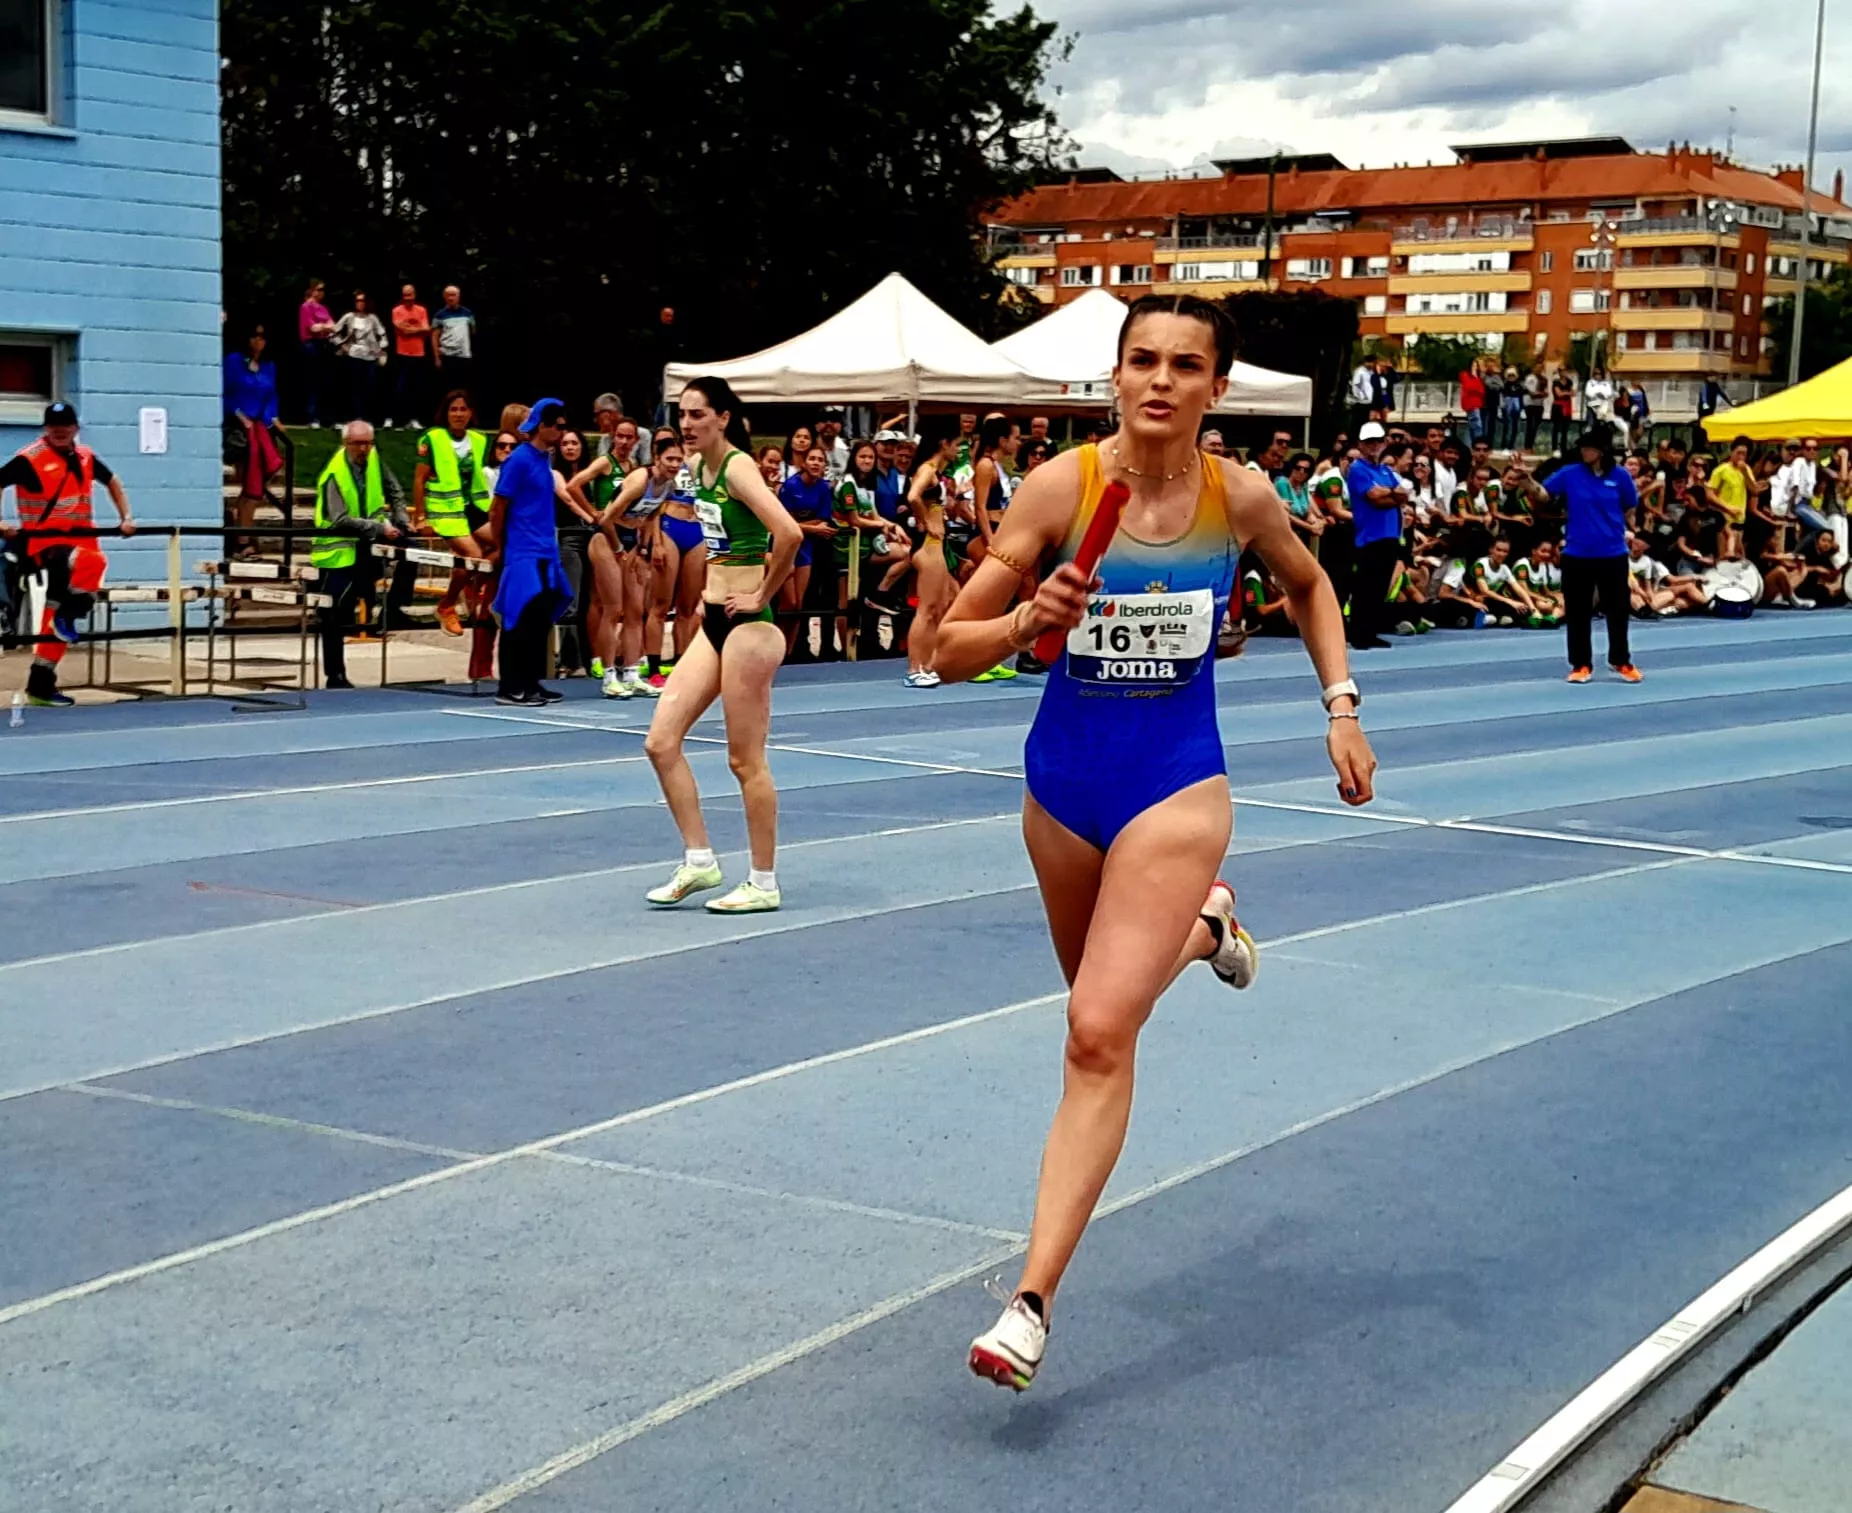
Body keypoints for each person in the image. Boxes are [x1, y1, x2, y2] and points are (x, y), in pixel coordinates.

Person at [932, 292, 1376, 1392]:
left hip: (1176, 784)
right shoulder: (1060, 489)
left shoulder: (1240, 497)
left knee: (1093, 1033)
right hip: (1063, 786)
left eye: (1185, 364)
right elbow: (942, 651)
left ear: (1215, 388)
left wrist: (1341, 703)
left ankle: (1030, 1301)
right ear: (1115, 377)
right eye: (1142, 361)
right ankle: (1208, 925)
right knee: (1101, 997)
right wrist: (1027, 621)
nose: (1161, 381)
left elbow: (1312, 586)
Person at [641, 377, 802, 912]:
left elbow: (789, 532)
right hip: (713, 620)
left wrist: (761, 593)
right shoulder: (695, 470)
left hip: (750, 628)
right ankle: (700, 861)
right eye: (682, 415)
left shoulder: (736, 468)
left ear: (723, 418)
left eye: (697, 415)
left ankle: (763, 880)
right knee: (661, 741)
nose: (686, 424)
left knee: (744, 759)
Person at [0, 402, 135, 707]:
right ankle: (70, 612)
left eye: (65, 425)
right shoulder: (30, 458)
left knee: (55, 616)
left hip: (81, 541)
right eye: (53, 426)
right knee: (93, 564)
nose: (59, 431)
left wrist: (126, 517)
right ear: (46, 429)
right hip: (46, 545)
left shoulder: (85, 456)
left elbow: (112, 480)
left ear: (76, 427)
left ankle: (40, 685)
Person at [1524, 429, 1641, 684]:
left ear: (1601, 451)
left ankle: (1621, 660)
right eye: (1583, 448)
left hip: (1613, 553)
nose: (1584, 452)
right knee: (1577, 611)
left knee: (1618, 610)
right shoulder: (1570, 473)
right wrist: (1526, 480)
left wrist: (1625, 528)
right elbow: (1544, 494)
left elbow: (1630, 504)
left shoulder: (1619, 475)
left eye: (1589, 448)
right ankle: (1581, 664)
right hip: (1577, 554)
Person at [311, 420, 416, 690]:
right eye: (357, 443)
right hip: (338, 552)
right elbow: (339, 519)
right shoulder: (335, 473)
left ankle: (393, 607)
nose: (363, 448)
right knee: (334, 615)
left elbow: (394, 489)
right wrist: (380, 527)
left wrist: (401, 519)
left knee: (413, 549)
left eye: (367, 443)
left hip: (367, 543)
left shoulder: (374, 461)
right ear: (345, 444)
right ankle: (335, 675)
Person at [488, 399, 575, 706]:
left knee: (539, 619)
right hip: (524, 551)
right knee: (519, 617)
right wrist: (500, 545)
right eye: (560, 426)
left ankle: (530, 680)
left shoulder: (542, 459)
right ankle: (510, 685)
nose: (564, 432)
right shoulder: (520, 460)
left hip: (543, 551)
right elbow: (498, 506)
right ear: (544, 426)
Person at [581, 437, 678, 697]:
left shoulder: (668, 486)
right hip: (606, 540)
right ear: (657, 458)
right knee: (614, 608)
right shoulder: (639, 480)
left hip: (631, 543)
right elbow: (608, 517)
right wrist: (618, 549)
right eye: (670, 459)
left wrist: (643, 550)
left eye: (679, 460)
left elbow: (651, 516)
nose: (675, 464)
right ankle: (610, 675)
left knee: (636, 610)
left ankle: (633, 673)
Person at [414, 390, 493, 637]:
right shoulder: (432, 438)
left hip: (474, 507)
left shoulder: (479, 440)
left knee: (507, 542)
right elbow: (419, 479)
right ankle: (447, 604)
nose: (458, 414)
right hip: (445, 509)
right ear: (446, 413)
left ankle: (474, 590)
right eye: (454, 409)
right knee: (474, 555)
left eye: (463, 409)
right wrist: (420, 515)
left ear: (471, 413)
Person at [900, 417, 964, 689]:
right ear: (944, 444)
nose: (959, 450)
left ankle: (928, 663)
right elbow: (913, 496)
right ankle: (915, 667)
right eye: (957, 445)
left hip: (936, 546)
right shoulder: (926, 470)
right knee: (926, 609)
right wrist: (924, 520)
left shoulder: (936, 474)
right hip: (928, 546)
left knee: (939, 607)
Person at [1345, 421, 1408, 651]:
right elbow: (1374, 497)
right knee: (1365, 587)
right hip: (1370, 536)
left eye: (1377, 441)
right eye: (1369, 442)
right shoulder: (1358, 469)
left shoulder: (1384, 471)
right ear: (1361, 444)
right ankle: (1359, 633)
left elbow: (1402, 495)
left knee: (1380, 586)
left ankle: (1370, 632)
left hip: (1389, 535)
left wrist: (1389, 495)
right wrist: (1392, 496)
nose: (1373, 446)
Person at [223, 323, 280, 557]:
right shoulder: (234, 361)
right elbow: (223, 393)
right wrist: (239, 415)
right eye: (254, 337)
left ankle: (242, 531)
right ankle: (242, 540)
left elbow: (271, 396)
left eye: (262, 337)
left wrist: (272, 418)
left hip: (259, 429)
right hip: (238, 429)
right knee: (249, 483)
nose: (259, 342)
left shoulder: (268, 366)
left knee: (255, 486)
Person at [776, 441, 838, 658]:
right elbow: (783, 522)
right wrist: (810, 527)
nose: (815, 463)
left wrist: (805, 527)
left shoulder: (823, 488)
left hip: (806, 548)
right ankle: (777, 649)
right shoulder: (790, 487)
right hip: (785, 547)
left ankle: (789, 654)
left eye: (820, 460)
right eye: (812, 459)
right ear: (804, 462)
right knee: (788, 603)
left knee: (799, 605)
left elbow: (823, 521)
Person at [332, 290, 388, 425]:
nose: (360, 303)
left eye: (362, 300)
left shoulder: (372, 318)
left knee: (369, 387)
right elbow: (333, 333)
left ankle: (366, 417)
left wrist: (380, 349)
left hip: (369, 356)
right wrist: (342, 346)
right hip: (353, 355)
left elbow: (383, 336)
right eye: (357, 300)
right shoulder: (349, 316)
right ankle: (354, 417)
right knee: (353, 387)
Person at [388, 283, 432, 429]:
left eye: (410, 295)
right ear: (402, 296)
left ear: (415, 295)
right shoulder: (396, 310)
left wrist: (411, 329)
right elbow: (402, 329)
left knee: (417, 388)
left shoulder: (421, 310)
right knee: (399, 388)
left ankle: (413, 419)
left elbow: (427, 329)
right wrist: (417, 329)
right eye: (405, 295)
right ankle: (397, 420)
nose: (408, 298)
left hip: (419, 353)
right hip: (402, 353)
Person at [1707, 436, 1757, 562]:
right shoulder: (1721, 470)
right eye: (1738, 453)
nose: (1741, 457)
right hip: (1725, 520)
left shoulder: (1746, 469)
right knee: (1725, 558)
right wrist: (1727, 508)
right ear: (1732, 452)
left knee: (1739, 557)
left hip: (1739, 520)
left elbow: (1754, 490)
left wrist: (1745, 472)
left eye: (1744, 454)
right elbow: (1709, 494)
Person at [297, 279, 335, 427]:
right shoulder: (306, 307)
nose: (321, 292)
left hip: (323, 344)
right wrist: (326, 327)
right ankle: (313, 417)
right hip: (310, 345)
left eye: (323, 290)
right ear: (312, 290)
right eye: (318, 289)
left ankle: (328, 418)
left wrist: (324, 327)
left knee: (327, 382)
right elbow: (312, 328)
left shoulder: (323, 308)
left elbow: (333, 325)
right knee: (313, 382)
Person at [430, 285, 478, 403]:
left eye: (454, 295)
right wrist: (436, 357)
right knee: (448, 388)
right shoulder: (439, 315)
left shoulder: (468, 313)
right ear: (444, 297)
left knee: (464, 388)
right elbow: (434, 336)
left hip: (464, 356)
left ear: (459, 296)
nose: (451, 298)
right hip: (447, 356)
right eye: (448, 295)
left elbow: (473, 332)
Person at [1550, 367, 1577, 455]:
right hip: (1558, 406)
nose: (1564, 372)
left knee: (1565, 428)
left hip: (1567, 405)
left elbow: (1573, 393)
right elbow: (1559, 394)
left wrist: (1566, 392)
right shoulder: (1556, 382)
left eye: (1565, 371)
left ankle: (1563, 447)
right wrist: (1567, 393)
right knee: (1556, 427)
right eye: (1562, 371)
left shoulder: (1569, 382)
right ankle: (1554, 448)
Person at [1459, 360, 1487, 444]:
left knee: (1475, 425)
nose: (1475, 368)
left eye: (1476, 366)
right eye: (1474, 366)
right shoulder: (1465, 375)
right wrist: (1476, 383)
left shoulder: (1478, 377)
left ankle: (1473, 444)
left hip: (1477, 404)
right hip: (1470, 404)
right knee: (1477, 425)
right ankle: (1477, 444)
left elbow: (1481, 390)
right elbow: (1470, 387)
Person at [1521, 366, 1546, 450]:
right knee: (1530, 426)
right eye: (1538, 368)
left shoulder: (1543, 378)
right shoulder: (1530, 378)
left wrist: (1542, 394)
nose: (1540, 370)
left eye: (1542, 368)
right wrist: (1542, 394)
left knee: (1535, 426)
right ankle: (1527, 446)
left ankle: (1530, 446)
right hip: (1530, 404)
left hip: (1539, 404)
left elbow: (1545, 392)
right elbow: (1532, 394)